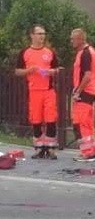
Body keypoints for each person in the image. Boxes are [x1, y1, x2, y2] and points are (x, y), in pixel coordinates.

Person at [15, 25, 60, 159]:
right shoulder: (25, 52)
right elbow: (17, 71)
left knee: (51, 118)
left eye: (43, 34)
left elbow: (58, 69)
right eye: (39, 34)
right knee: (36, 120)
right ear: (32, 35)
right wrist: (29, 71)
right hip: (34, 91)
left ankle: (51, 148)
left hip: (48, 90)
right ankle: (39, 148)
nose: (42, 36)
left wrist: (52, 72)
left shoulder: (50, 52)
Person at [70, 28, 95, 162]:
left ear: (80, 39)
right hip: (91, 91)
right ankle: (91, 151)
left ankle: (87, 153)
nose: (71, 41)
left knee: (81, 123)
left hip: (85, 92)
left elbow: (87, 75)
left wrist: (77, 91)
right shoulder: (90, 51)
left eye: (73, 39)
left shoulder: (85, 53)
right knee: (87, 124)